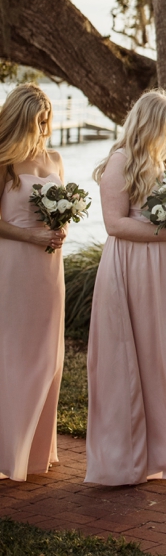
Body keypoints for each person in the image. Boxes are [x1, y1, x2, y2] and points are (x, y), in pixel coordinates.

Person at [85, 91, 166, 486]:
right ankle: (128, 458)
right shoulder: (121, 161)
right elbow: (115, 224)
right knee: (135, 355)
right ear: (151, 123)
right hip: (134, 267)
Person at [0, 84, 67, 482]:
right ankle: (9, 450)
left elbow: (60, 210)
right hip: (14, 265)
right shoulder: (4, 163)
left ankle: (37, 450)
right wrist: (33, 237)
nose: (44, 128)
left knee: (47, 356)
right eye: (38, 121)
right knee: (12, 352)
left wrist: (60, 230)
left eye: (48, 120)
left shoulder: (55, 158)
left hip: (49, 269)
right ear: (20, 119)